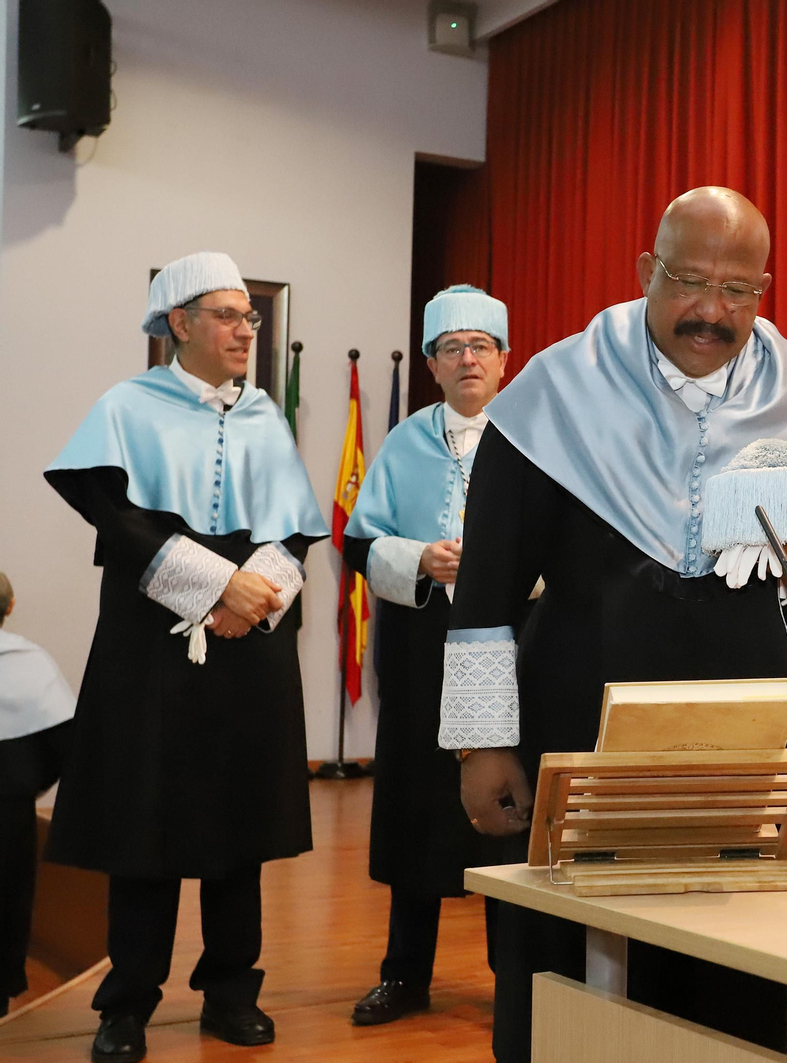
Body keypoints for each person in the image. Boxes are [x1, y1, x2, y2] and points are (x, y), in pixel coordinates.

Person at [437, 187, 787, 1062]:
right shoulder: (554, 391)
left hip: (735, 750)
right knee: (562, 986)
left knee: (723, 981)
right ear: (647, 270)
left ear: (764, 290)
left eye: (739, 291)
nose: (711, 312)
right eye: (689, 282)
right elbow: (483, 592)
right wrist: (483, 745)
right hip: (573, 732)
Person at [44, 252, 329, 1063]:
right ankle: (127, 1001)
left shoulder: (265, 415)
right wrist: (213, 588)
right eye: (230, 315)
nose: (247, 329)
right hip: (152, 647)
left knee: (240, 821)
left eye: (252, 316)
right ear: (179, 323)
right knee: (147, 820)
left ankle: (233, 992)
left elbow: (297, 527)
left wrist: (256, 596)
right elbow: (114, 516)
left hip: (251, 645)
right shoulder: (126, 408)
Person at [340, 285, 509, 1026]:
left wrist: (503, 563)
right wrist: (419, 557)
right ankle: (405, 973)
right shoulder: (405, 440)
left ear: (505, 360)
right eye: (451, 348)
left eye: (480, 346)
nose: (466, 358)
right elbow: (357, 542)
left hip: (509, 648)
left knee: (510, 809)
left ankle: (519, 977)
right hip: (420, 655)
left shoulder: (534, 437)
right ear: (434, 367)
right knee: (415, 805)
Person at [0, 573, 76, 1017]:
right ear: (10, 608)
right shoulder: (32, 663)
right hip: (8, 811)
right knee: (7, 898)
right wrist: (26, 785)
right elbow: (64, 742)